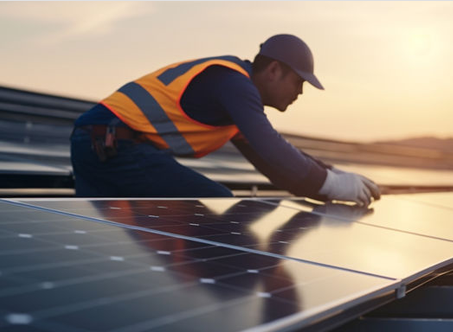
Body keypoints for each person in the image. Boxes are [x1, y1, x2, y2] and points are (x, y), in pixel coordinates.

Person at [70, 34, 381, 207]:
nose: (300, 92)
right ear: (273, 70)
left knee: (100, 236)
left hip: (101, 144)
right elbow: (272, 146)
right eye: (298, 82)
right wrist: (332, 183)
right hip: (108, 143)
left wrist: (331, 179)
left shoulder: (234, 104)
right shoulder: (233, 83)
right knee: (216, 202)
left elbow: (277, 167)